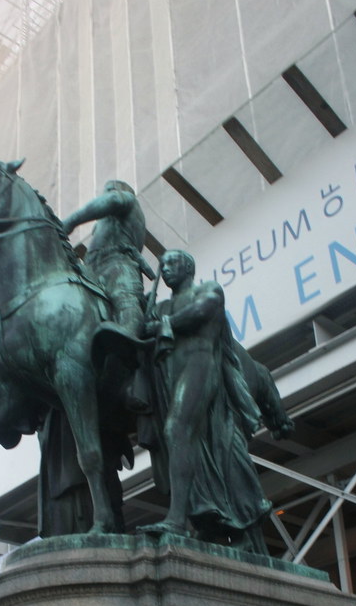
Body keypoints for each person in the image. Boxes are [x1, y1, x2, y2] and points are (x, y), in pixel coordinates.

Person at [139, 250, 272, 554]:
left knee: (176, 430)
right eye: (163, 265)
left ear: (188, 267)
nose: (166, 269)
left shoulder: (208, 290)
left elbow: (201, 312)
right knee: (186, 443)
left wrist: (162, 325)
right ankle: (208, 519)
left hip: (200, 366)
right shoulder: (160, 306)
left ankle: (176, 520)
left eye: (172, 263)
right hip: (170, 378)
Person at [62, 179, 155, 339]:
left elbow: (113, 200)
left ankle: (128, 336)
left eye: (111, 189)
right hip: (91, 268)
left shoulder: (129, 201)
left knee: (125, 299)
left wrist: (70, 222)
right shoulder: (103, 221)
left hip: (118, 262)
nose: (105, 195)